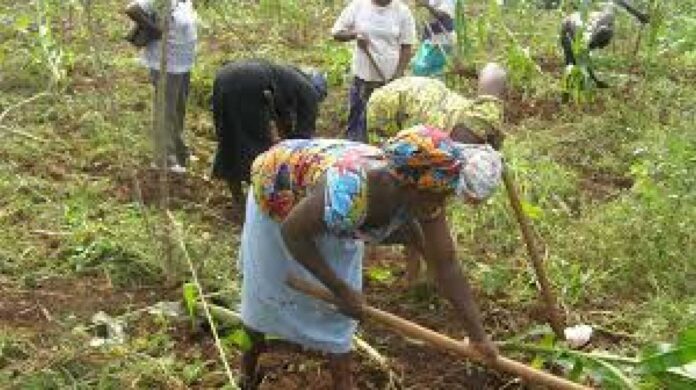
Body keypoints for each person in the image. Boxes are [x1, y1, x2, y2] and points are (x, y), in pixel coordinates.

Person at [238, 125, 502, 389]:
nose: (442, 203)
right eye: (439, 195)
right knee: (265, 292)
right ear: (409, 186)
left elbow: (446, 265)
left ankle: (343, 382)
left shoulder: (426, 194)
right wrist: (340, 289)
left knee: (341, 313)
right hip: (277, 191)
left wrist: (478, 336)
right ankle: (247, 373)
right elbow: (293, 233)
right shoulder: (350, 189)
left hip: (328, 209)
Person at [366, 62, 507, 282]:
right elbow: (426, 205)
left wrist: (475, 67)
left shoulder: (486, 117)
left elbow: (495, 71)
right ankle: (409, 268)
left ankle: (426, 270)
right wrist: (443, 263)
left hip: (428, 96)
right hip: (389, 107)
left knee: (428, 205)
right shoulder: (433, 160)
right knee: (405, 194)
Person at [210, 59, 328, 204]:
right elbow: (303, 137)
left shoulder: (289, 77)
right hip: (250, 83)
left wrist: (284, 142)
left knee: (228, 138)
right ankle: (258, 199)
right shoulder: (310, 92)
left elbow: (282, 119)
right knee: (254, 145)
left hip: (223, 77)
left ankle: (238, 198)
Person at [125, 0, 198, 173]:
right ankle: (164, 159)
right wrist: (155, 30)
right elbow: (132, 9)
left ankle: (179, 151)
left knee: (178, 109)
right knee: (166, 110)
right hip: (166, 64)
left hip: (183, 63)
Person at [331, 0, 416, 143]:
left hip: (388, 82)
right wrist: (355, 35)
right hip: (362, 78)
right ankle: (354, 153)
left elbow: (406, 46)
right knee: (358, 121)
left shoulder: (402, 11)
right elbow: (337, 33)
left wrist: (398, 74)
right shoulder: (358, 5)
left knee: (384, 125)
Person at [560, 0, 649, 89]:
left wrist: (639, 15)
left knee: (578, 62)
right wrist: (596, 81)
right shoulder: (587, 36)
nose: (601, 48)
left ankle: (580, 85)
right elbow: (584, 59)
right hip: (568, 27)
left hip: (580, 24)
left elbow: (618, 2)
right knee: (571, 62)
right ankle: (566, 93)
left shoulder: (608, 17)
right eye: (599, 45)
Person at [411, 0, 456, 77]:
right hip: (430, 40)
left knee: (424, 68)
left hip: (442, 40)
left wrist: (426, 5)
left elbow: (442, 15)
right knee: (420, 67)